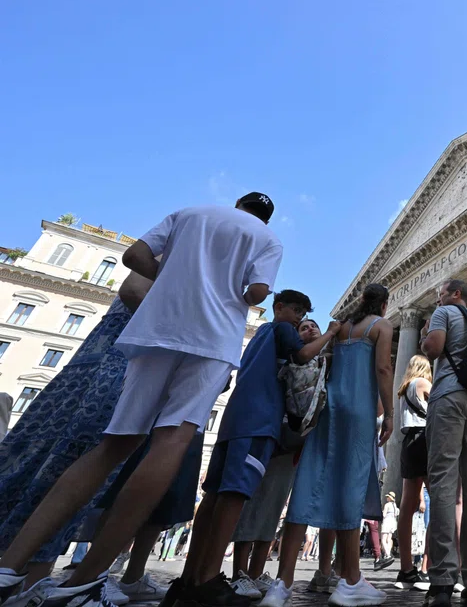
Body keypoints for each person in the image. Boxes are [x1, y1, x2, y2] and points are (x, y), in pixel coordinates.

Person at [1, 192, 284, 607]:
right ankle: (83, 582)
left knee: (113, 444)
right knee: (170, 442)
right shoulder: (267, 238)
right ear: (267, 217)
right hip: (211, 340)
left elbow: (134, 257)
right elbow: (257, 292)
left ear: (238, 202)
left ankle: (9, 566)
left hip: (155, 330)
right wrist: (226, 293)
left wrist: (173, 278)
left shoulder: (190, 213)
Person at [174, 291, 337, 607]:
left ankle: (189, 578)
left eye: (303, 313)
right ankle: (208, 579)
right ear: (279, 308)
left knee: (213, 497)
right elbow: (302, 356)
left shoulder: (260, 335)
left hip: (234, 421)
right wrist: (330, 333)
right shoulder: (282, 329)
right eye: (296, 311)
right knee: (235, 495)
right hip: (259, 420)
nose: (299, 318)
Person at [0, 273, 151, 596]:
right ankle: (22, 578)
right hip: (118, 359)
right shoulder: (180, 247)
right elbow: (133, 288)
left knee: (63, 460)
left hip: (113, 356)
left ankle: (28, 578)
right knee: (72, 457)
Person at [268, 283, 394, 607]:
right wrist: (390, 413)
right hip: (358, 411)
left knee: (308, 483)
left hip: (328, 409)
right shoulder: (380, 326)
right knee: (350, 487)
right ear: (383, 305)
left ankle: (281, 584)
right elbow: (383, 369)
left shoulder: (342, 329)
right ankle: (350, 581)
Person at [230, 319, 322, 597]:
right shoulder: (288, 359)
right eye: (303, 327)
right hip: (274, 437)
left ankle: (256, 572)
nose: (309, 329)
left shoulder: (322, 363)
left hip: (295, 445)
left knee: (272, 509)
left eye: (313, 327)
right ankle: (239, 574)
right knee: (253, 505)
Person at [419, 279, 467, 607]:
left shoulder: (445, 313)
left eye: (441, 295)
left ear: (455, 294)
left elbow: (434, 349)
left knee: (443, 483)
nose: (438, 301)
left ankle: (442, 580)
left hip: (449, 397)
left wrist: (425, 334)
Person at [393, 354, 432, 592]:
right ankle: (427, 566)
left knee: (407, 505)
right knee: (439, 501)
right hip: (424, 440)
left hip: (408, 442)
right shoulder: (423, 383)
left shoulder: (404, 389)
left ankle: (406, 568)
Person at [381, 493, 398, 566]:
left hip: (387, 522)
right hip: (393, 522)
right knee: (389, 539)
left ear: (390, 498)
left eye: (388, 497)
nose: (387, 498)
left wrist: (382, 512)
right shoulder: (394, 505)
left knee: (383, 539)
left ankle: (388, 554)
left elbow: (384, 515)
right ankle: (388, 553)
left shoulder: (387, 505)